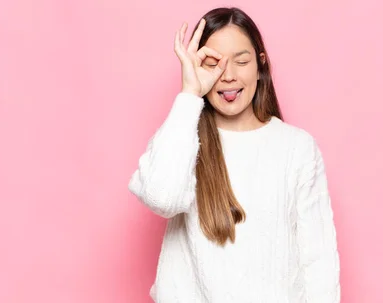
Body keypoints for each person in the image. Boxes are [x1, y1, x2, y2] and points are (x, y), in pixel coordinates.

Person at [128, 7, 341, 303]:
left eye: (241, 61)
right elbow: (162, 197)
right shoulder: (183, 138)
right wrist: (190, 93)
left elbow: (319, 264)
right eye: (214, 63)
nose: (228, 76)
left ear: (260, 65)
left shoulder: (297, 148)